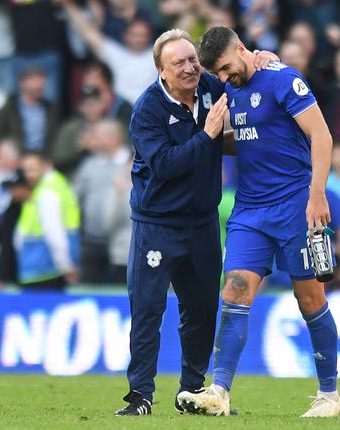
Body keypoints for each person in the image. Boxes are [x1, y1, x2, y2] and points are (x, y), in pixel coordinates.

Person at [177, 26, 340, 418]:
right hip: (250, 211)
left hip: (295, 206)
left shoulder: (284, 79)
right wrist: (212, 138)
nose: (223, 78)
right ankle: (219, 392)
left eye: (225, 68)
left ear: (241, 48)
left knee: (310, 299)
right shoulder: (229, 88)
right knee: (234, 291)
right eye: (215, 73)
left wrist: (317, 194)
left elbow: (322, 136)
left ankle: (329, 396)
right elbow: (249, 137)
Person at [114, 28, 277, 416]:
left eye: (192, 60)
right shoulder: (147, 110)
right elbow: (167, 166)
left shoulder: (209, 85)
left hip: (202, 222)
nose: (190, 68)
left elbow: (241, 78)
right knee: (148, 309)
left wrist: (262, 61)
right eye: (179, 63)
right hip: (157, 224)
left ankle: (192, 392)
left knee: (202, 309)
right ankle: (140, 396)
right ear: (162, 71)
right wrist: (208, 135)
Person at [71, 118, 132, 284]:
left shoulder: (133, 162)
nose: (92, 140)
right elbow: (74, 198)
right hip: (91, 241)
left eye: (96, 136)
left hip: (124, 245)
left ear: (113, 138)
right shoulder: (89, 164)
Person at [15, 151, 80, 291]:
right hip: (39, 267)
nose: (28, 175)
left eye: (32, 169)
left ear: (46, 166)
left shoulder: (47, 193)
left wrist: (65, 266)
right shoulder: (51, 187)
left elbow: (54, 234)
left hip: (46, 269)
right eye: (25, 170)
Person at [0, 66, 60, 164]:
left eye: (41, 81)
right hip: (16, 161)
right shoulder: (9, 109)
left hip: (43, 161)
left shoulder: (51, 109)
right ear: (22, 83)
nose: (39, 85)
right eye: (34, 80)